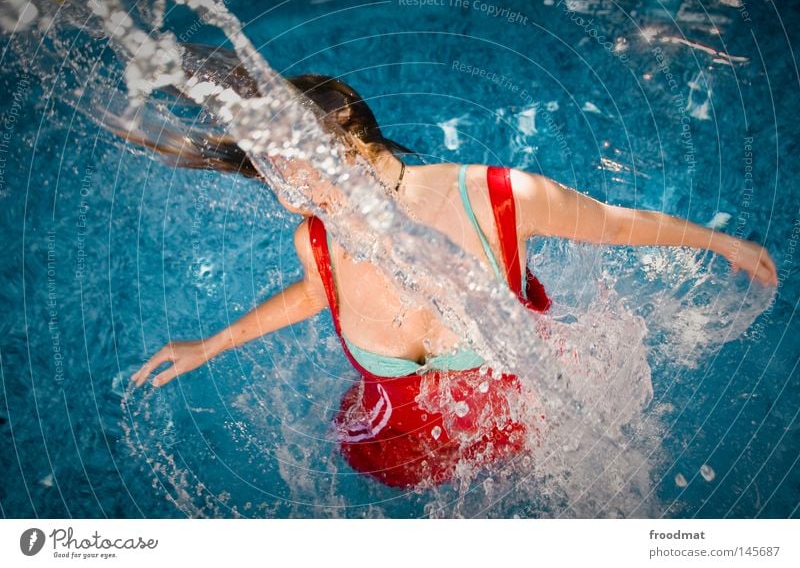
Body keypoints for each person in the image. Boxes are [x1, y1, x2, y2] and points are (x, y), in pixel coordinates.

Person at [129, 44, 777, 488]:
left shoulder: (496, 198)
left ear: (344, 132)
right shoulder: (317, 238)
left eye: (285, 166)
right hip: (403, 433)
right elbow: (315, 292)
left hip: (528, 412)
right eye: (271, 174)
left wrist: (721, 244)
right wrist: (209, 347)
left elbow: (609, 223)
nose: (283, 191)